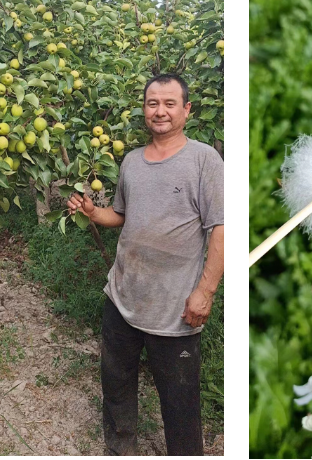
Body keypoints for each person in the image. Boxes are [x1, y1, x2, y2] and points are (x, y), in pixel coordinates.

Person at [67, 73, 223, 455]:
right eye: (153, 103)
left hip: (174, 308)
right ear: (144, 109)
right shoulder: (132, 161)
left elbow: (222, 229)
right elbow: (121, 215)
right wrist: (91, 211)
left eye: (170, 103)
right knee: (116, 384)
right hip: (122, 296)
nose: (160, 111)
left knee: (180, 402)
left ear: (186, 109)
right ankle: (121, 449)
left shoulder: (204, 160)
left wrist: (204, 292)